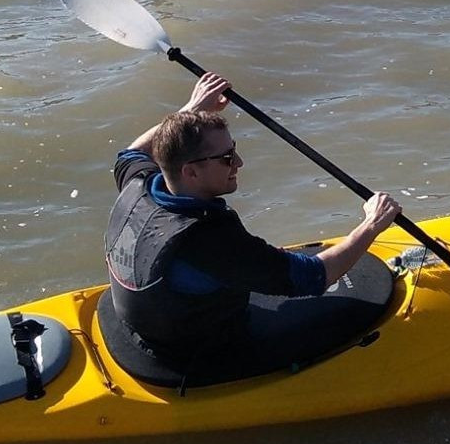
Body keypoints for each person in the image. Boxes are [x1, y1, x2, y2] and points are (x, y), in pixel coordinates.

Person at [105, 72, 402, 376]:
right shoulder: (210, 242)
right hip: (190, 349)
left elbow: (130, 153)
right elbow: (315, 276)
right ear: (191, 173)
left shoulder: (139, 186)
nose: (239, 163)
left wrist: (192, 109)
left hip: (136, 325)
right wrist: (371, 225)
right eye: (226, 157)